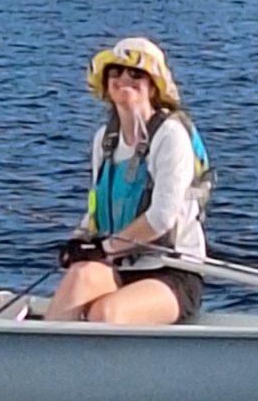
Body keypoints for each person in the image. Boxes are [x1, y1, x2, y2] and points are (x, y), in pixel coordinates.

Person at [44, 35, 210, 326]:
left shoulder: (170, 136)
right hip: (120, 264)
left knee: (105, 313)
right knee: (80, 274)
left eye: (136, 74)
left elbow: (161, 218)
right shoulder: (103, 140)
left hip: (172, 272)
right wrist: (78, 240)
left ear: (152, 86)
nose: (124, 79)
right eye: (115, 73)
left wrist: (104, 249)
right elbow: (96, 208)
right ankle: (38, 360)